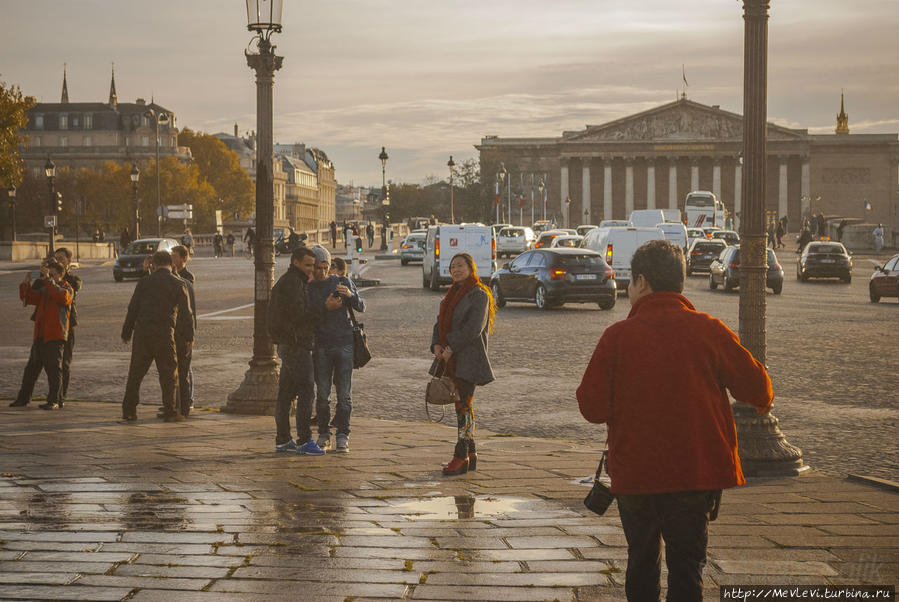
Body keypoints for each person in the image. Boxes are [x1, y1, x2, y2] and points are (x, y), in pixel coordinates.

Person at [576, 239, 773, 601]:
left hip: (636, 474)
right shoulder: (709, 330)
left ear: (642, 282)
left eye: (631, 283)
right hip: (694, 472)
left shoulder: (617, 337)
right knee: (687, 567)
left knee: (641, 562)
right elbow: (758, 387)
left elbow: (591, 407)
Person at [429, 253, 496, 475]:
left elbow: (473, 328)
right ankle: (471, 453)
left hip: (469, 359)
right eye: (452, 266)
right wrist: (437, 345)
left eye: (460, 266)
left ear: (471, 267)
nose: (456, 270)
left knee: (463, 406)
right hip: (451, 359)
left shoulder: (479, 294)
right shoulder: (450, 295)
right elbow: (439, 323)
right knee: (463, 405)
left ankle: (461, 456)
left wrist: (450, 348)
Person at [268, 246, 337, 454]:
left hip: (289, 343)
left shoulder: (291, 280)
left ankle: (283, 440)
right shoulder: (292, 283)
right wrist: (325, 307)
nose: (311, 270)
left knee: (286, 393)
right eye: (308, 265)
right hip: (296, 345)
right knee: (307, 392)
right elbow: (300, 315)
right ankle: (304, 440)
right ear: (295, 262)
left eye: (313, 266)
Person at [120, 250, 193, 422]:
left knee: (135, 374)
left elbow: (133, 308)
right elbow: (186, 314)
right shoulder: (178, 283)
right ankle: (170, 410)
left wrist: (126, 332)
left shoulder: (144, 282)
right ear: (171, 264)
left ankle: (129, 410)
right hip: (164, 333)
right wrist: (189, 337)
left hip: (143, 334)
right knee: (168, 375)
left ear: (154, 264)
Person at [307, 246, 366, 453]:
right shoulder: (308, 288)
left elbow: (361, 306)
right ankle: (324, 433)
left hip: (345, 343)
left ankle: (343, 434)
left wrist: (350, 295)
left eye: (325, 267)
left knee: (344, 394)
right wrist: (325, 307)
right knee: (322, 394)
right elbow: (307, 318)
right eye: (317, 268)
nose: (322, 272)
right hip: (321, 345)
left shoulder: (341, 282)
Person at [10, 259, 73, 410]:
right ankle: (23, 398)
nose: (48, 276)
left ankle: (55, 400)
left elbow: (62, 297)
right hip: (40, 334)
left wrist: (49, 281)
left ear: (60, 275)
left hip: (55, 335)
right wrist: (26, 285)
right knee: (31, 369)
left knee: (53, 369)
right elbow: (30, 299)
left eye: (52, 273)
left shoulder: (67, 288)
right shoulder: (46, 289)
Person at [169, 245, 197, 418]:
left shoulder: (187, 278)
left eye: (174, 256)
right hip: (175, 328)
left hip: (183, 329)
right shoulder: (173, 276)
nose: (172, 258)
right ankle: (175, 401)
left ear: (182, 258)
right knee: (176, 367)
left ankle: (187, 402)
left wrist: (190, 334)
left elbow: (188, 309)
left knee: (185, 369)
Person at [51, 248, 82, 401]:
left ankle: (61, 395)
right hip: (49, 324)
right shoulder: (51, 275)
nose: (57, 261)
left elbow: (71, 290)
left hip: (68, 324)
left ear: (69, 262)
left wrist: (59, 273)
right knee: (45, 362)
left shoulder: (73, 279)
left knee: (65, 362)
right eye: (55, 258)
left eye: (61, 259)